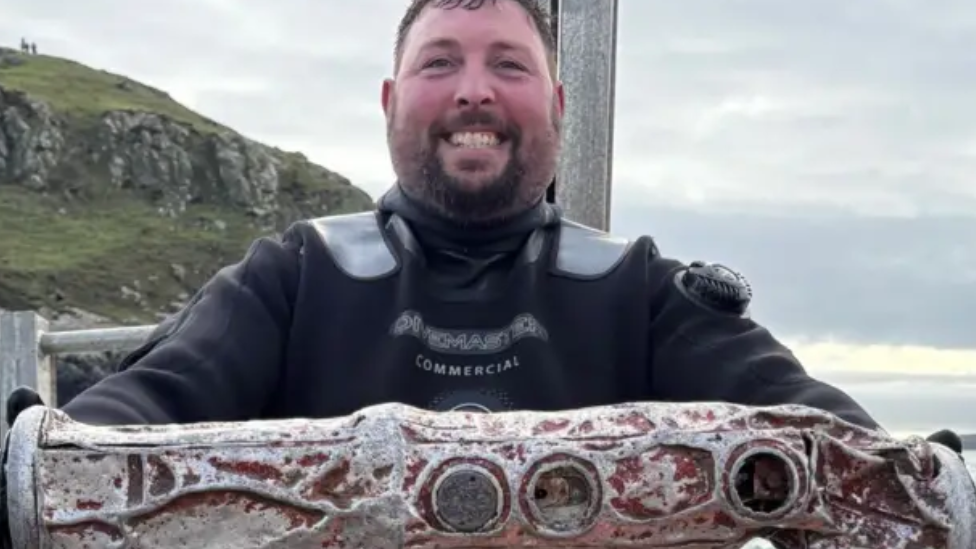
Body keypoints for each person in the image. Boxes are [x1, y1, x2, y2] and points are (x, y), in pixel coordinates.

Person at [2, 0, 962, 459]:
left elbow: (832, 440)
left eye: (507, 63)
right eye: (440, 64)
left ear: (555, 101)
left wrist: (935, 469)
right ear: (391, 100)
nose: (472, 89)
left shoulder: (639, 290)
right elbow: (128, 416)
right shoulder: (294, 276)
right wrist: (38, 449)